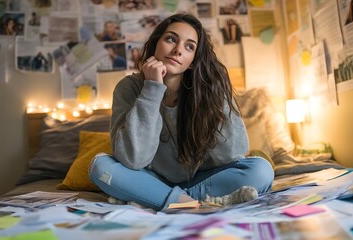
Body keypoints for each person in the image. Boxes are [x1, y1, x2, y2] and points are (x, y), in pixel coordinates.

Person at [89, 13, 274, 211]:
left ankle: (160, 200)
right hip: (150, 179)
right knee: (100, 167)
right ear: (155, 44)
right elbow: (133, 159)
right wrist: (152, 88)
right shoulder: (128, 88)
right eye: (171, 39)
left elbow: (232, 155)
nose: (178, 50)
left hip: (202, 179)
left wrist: (216, 91)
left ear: (193, 60)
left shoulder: (209, 88)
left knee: (261, 170)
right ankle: (197, 202)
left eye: (189, 46)